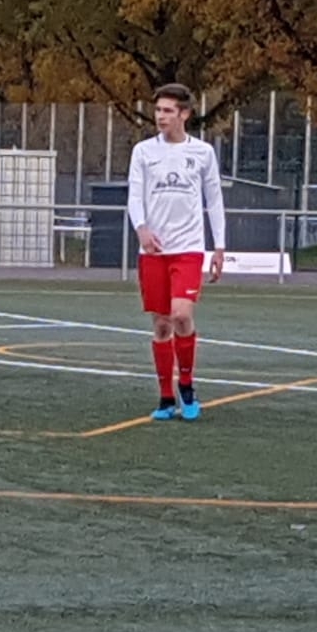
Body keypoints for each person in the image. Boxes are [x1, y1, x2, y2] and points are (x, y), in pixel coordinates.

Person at [126, 83, 226, 421]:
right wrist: (142, 228)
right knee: (161, 325)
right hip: (154, 251)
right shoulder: (143, 152)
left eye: (168, 110)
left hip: (188, 249)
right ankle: (166, 397)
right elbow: (134, 195)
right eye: (158, 110)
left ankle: (186, 385)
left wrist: (219, 246)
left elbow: (214, 200)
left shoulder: (203, 153)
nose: (161, 116)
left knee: (181, 315)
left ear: (184, 114)